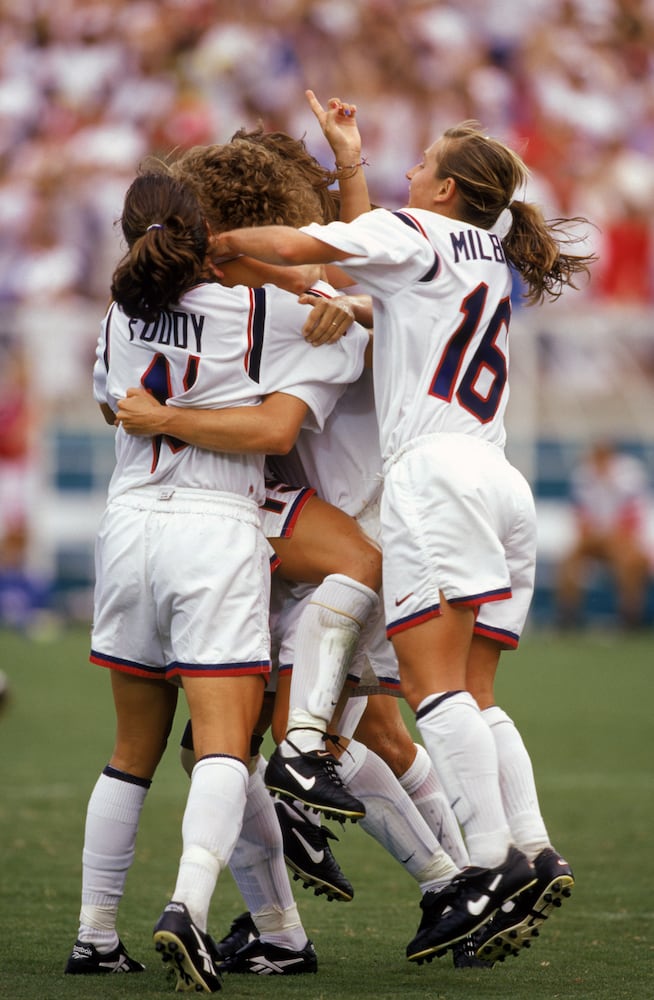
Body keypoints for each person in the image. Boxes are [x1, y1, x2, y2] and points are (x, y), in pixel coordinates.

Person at [211, 110, 597, 966]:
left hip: (433, 480)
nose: (412, 172)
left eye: (423, 163)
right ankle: (529, 848)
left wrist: (217, 240)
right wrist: (353, 307)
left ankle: (486, 867)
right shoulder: (493, 257)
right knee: (477, 691)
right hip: (499, 478)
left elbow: (318, 243)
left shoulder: (418, 229)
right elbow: (396, 304)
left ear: (448, 188)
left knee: (433, 693)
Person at [64, 169, 370, 991]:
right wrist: (316, 289)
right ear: (204, 228)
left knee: (131, 752)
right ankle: (187, 910)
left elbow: (112, 410)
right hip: (217, 529)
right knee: (224, 746)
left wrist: (164, 409)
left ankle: (94, 934)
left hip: (128, 524)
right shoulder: (264, 313)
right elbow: (346, 349)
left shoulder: (114, 317)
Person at [556, 440, 651, 629]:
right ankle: (568, 617)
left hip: (624, 537)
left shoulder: (630, 474)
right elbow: (579, 514)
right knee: (568, 560)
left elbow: (633, 517)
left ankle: (630, 618)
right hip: (595, 537)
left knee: (628, 562)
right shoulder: (583, 474)